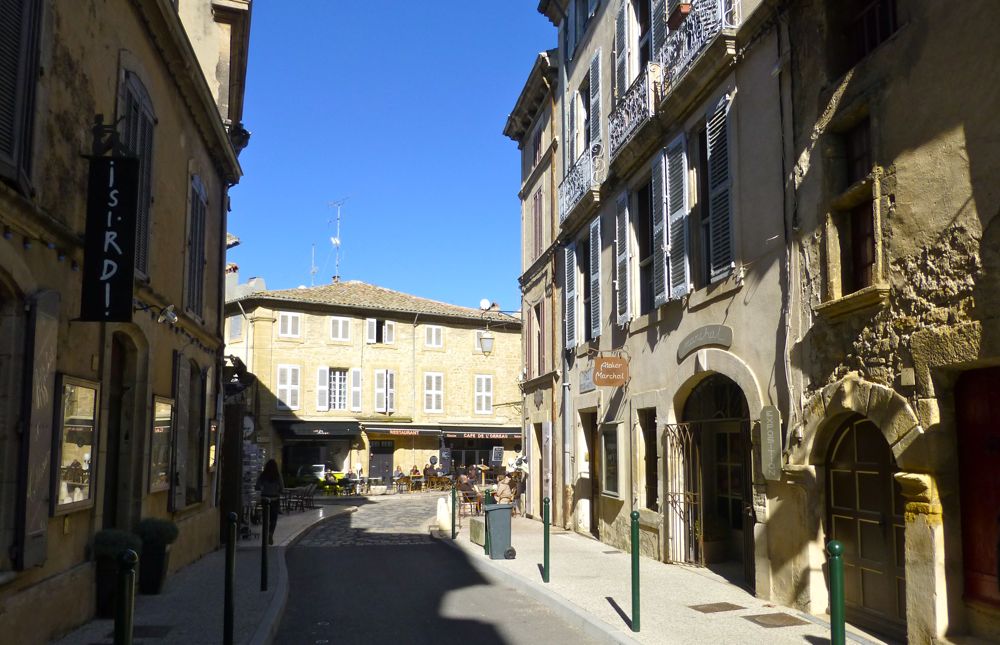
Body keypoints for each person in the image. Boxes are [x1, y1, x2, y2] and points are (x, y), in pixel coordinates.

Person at [255, 459, 284, 545]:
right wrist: (277, 490)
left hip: (265, 498)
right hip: (275, 499)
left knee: (265, 518)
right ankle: (271, 533)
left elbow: (257, 487)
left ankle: (265, 535)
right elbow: (282, 488)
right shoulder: (278, 475)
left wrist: (263, 488)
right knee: (273, 519)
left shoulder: (263, 475)